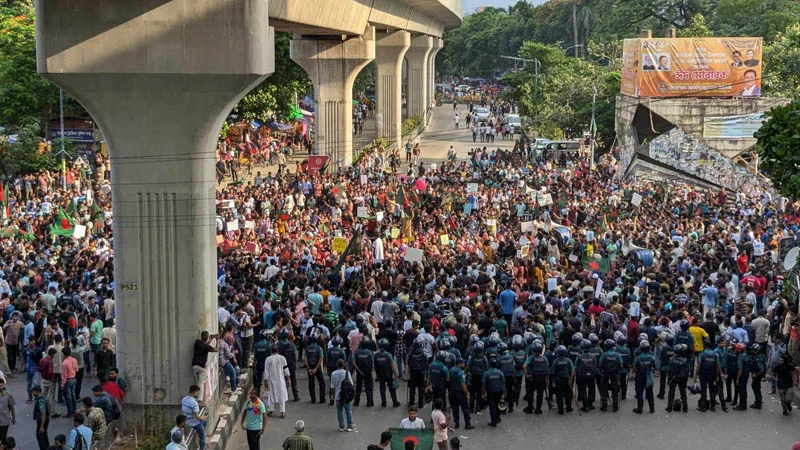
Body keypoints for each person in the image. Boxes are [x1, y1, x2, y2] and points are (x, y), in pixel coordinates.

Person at [694, 339, 724, 412]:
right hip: (712, 375)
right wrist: (717, 376)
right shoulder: (715, 354)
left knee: (703, 390)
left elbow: (699, 365)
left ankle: (703, 407)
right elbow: (717, 366)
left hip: (703, 375)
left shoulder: (702, 354)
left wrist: (695, 376)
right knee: (712, 390)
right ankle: (712, 406)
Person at [263, 344, 291, 418]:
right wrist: (288, 379)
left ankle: (271, 410)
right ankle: (283, 412)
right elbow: (286, 369)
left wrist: (265, 381)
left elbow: (266, 371)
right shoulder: (282, 358)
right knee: (281, 395)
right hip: (280, 379)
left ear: (271, 351)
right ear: (278, 350)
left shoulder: (268, 359)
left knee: (271, 395)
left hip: (271, 380)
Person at [374, 338, 401, 408]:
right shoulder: (388, 355)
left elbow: (375, 366)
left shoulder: (376, 355)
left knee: (382, 388)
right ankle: (395, 402)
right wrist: (395, 374)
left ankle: (383, 402)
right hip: (388, 374)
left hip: (380, 374)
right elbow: (392, 366)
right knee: (392, 388)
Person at [330, 359, 355, 432]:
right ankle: (350, 426)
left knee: (339, 411)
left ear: (337, 365)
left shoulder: (333, 373)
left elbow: (332, 386)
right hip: (346, 395)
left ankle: (341, 426)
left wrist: (332, 395)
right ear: (343, 365)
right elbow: (351, 384)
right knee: (348, 410)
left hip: (338, 395)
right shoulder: (347, 373)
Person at [447, 357, 472, 429]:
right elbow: (463, 384)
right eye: (463, 363)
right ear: (459, 364)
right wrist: (467, 393)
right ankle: (467, 423)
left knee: (455, 408)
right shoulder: (461, 372)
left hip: (452, 392)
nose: (464, 364)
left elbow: (448, 379)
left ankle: (456, 423)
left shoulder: (451, 370)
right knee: (465, 408)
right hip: (460, 392)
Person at [191, 331, 217, 400]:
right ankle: (199, 400)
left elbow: (204, 345)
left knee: (197, 384)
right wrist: (216, 339)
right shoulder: (206, 347)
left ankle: (195, 398)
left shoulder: (197, 343)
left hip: (194, 366)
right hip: (201, 367)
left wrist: (209, 340)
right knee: (201, 384)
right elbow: (215, 349)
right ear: (208, 337)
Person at [181, 385, 208, 450]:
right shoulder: (194, 403)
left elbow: (189, 406)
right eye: (197, 392)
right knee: (203, 436)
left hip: (186, 420)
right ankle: (202, 448)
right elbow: (197, 417)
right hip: (194, 423)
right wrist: (203, 417)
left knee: (204, 422)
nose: (198, 394)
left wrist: (198, 404)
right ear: (194, 392)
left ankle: (197, 434)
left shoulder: (184, 399)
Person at [632, 340, 655, 414]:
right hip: (648, 376)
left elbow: (634, 367)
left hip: (640, 376)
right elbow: (654, 366)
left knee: (640, 393)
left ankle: (640, 409)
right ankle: (652, 408)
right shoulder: (651, 358)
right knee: (650, 393)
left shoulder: (638, 358)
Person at [598, 339, 621, 412]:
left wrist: (601, 369)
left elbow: (600, 364)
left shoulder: (604, 354)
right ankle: (615, 406)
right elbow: (621, 364)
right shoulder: (617, 354)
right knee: (615, 389)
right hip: (615, 373)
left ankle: (604, 406)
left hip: (606, 373)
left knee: (604, 389)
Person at [666, 344, 690, 413]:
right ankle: (685, 408)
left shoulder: (671, 359)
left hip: (673, 378)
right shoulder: (684, 360)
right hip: (682, 378)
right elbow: (686, 371)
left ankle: (669, 407)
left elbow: (669, 369)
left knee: (671, 393)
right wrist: (686, 379)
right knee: (683, 393)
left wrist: (669, 378)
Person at [482, 358, 505, 426]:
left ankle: (493, 421)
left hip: (490, 392)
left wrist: (483, 392)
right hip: (499, 391)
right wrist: (503, 393)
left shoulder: (486, 373)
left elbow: (483, 383)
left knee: (492, 406)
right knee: (498, 405)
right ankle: (497, 418)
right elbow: (503, 383)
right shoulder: (500, 373)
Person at [303, 337, 325, 404]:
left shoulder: (307, 348)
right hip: (317, 367)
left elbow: (305, 359)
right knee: (322, 383)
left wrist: (308, 368)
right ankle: (322, 399)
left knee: (311, 383)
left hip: (310, 366)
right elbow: (321, 358)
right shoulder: (319, 348)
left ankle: (313, 399)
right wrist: (316, 368)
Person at [32, 385, 49, 450]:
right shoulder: (43, 397)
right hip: (44, 421)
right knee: (44, 436)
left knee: (40, 437)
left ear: (36, 392)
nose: (32, 393)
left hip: (42, 421)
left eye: (33, 391)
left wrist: (41, 426)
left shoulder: (40, 400)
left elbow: (43, 413)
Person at [0, 379, 15, 443]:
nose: (1, 387)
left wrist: (14, 417)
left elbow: (12, 407)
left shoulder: (8, 395)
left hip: (4, 420)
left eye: (2, 385)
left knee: (3, 437)